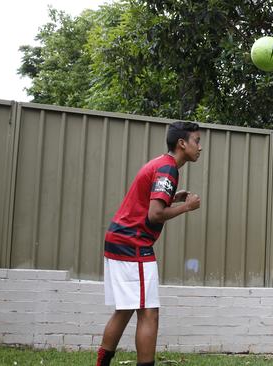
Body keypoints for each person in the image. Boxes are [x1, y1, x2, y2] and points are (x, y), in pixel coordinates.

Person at [96, 121, 202, 366]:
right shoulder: (168, 169)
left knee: (125, 309)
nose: (200, 147)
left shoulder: (160, 163)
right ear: (182, 143)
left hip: (119, 239)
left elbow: (149, 200)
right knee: (149, 312)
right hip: (133, 243)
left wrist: (173, 198)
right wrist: (186, 206)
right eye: (196, 141)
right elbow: (154, 214)